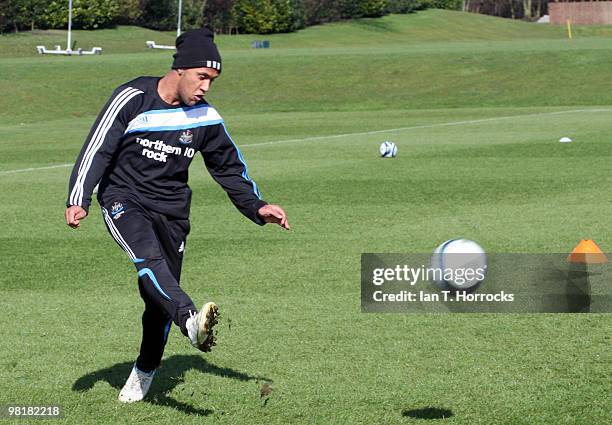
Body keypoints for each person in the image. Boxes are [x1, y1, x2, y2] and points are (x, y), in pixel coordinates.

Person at [64, 28, 289, 403]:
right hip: (124, 199)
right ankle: (190, 320)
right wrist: (79, 197)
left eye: (212, 80)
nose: (206, 87)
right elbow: (98, 148)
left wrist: (256, 206)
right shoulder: (133, 97)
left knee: (157, 299)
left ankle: (146, 368)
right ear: (181, 69)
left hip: (172, 211)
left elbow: (228, 167)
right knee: (147, 260)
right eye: (202, 77)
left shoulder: (204, 116)